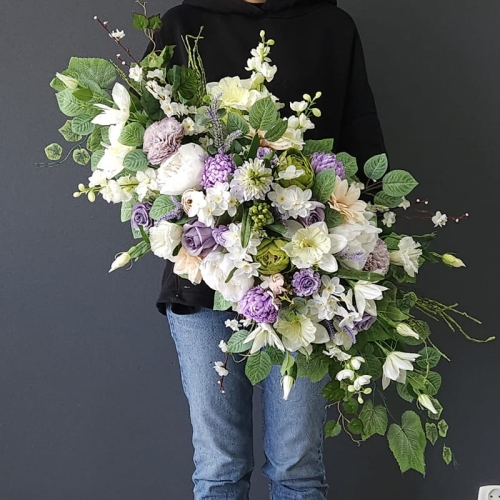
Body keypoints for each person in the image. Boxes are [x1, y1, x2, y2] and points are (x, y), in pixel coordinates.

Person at [144, 1, 386, 498]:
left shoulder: (332, 28)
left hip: (310, 283)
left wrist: (361, 250)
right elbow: (146, 157)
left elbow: (362, 152)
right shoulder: (181, 26)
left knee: (298, 468)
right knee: (219, 467)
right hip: (203, 275)